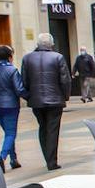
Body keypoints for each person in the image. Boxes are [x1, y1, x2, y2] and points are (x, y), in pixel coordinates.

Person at [21, 33, 71, 171]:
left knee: (43, 128)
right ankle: (51, 161)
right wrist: (65, 96)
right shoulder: (58, 57)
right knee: (52, 130)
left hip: (36, 101)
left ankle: (47, 157)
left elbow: (24, 81)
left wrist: (29, 97)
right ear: (51, 44)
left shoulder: (27, 58)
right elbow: (65, 80)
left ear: (38, 44)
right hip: (55, 100)